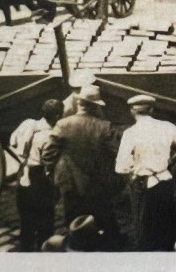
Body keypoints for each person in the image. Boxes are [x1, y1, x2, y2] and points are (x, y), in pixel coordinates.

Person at [42, 85, 124, 250]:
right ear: (95, 106)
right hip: (99, 184)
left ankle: (77, 250)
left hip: (70, 184)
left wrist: (52, 174)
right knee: (104, 219)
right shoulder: (105, 126)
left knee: (74, 222)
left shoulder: (62, 124)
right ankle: (109, 249)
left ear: (79, 104)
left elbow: (48, 154)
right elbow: (119, 153)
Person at [115, 94, 176, 251]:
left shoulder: (130, 133)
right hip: (165, 181)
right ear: (152, 110)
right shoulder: (167, 126)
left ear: (132, 112)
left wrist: (133, 170)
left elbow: (120, 167)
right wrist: (172, 159)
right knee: (167, 227)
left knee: (144, 230)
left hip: (142, 186)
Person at [10, 99, 65, 251]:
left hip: (23, 173)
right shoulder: (50, 136)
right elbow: (49, 162)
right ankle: (44, 251)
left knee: (26, 217)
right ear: (57, 116)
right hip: (40, 177)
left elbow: (12, 140)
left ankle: (25, 248)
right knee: (45, 218)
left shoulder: (28, 124)